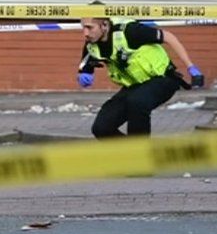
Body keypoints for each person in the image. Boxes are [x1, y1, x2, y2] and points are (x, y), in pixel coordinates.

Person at [78, 10, 203, 139]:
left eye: (89, 27)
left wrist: (190, 67)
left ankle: (140, 151)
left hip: (163, 79)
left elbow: (169, 37)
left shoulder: (130, 31)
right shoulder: (91, 44)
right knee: (102, 128)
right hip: (135, 86)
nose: (85, 33)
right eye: (83, 28)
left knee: (137, 102)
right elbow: (86, 66)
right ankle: (132, 154)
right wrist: (84, 74)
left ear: (104, 25)